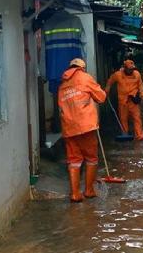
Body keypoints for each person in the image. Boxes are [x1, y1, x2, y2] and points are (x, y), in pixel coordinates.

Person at [58, 58, 107, 202]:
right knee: (91, 158)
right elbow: (102, 97)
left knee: (74, 160)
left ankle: (74, 194)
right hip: (86, 126)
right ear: (82, 68)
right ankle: (89, 190)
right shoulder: (85, 78)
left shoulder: (62, 85)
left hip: (69, 127)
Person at [105, 59, 143, 141]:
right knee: (123, 119)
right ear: (125, 68)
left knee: (137, 118)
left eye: (132, 69)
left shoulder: (137, 74)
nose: (131, 70)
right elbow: (110, 82)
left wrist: (142, 94)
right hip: (123, 101)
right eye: (129, 69)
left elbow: (140, 85)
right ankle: (125, 134)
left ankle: (139, 136)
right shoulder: (118, 75)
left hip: (133, 100)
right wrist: (106, 91)